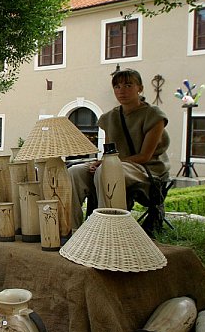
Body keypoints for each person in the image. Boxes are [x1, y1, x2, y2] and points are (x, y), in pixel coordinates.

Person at [69, 68, 170, 231]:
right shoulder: (109, 117)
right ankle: (71, 229)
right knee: (74, 172)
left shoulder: (153, 115)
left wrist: (107, 164)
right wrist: (100, 162)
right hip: (117, 164)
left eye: (128, 85)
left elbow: (145, 156)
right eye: (117, 86)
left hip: (146, 169)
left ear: (140, 88)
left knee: (107, 170)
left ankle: (108, 229)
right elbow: (109, 153)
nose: (122, 91)